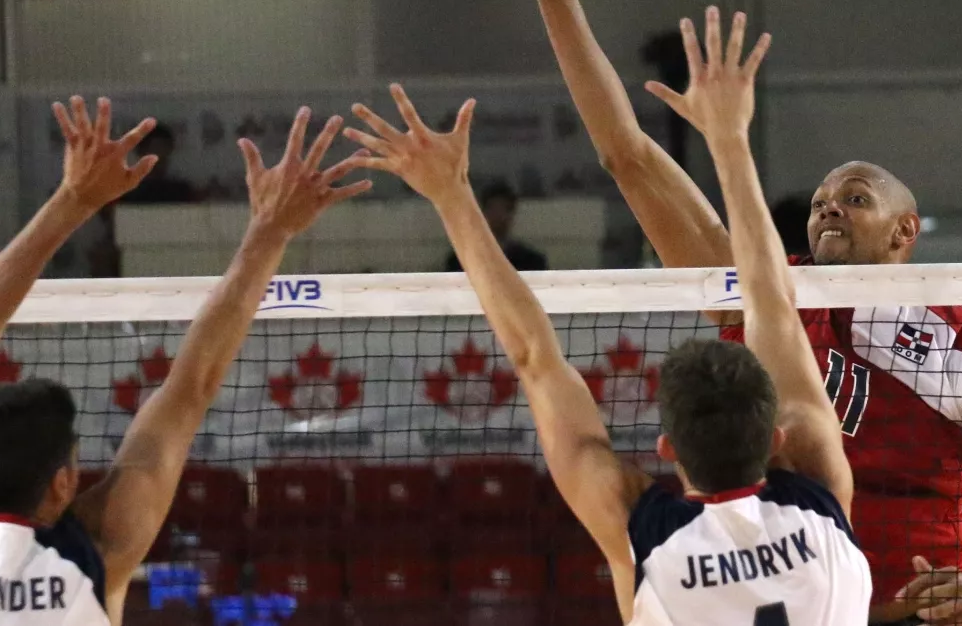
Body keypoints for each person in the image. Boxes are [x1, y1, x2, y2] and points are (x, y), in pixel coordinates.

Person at [507, 0, 962, 613]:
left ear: (904, 230)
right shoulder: (762, 295)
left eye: (853, 198)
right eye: (822, 198)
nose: (827, 207)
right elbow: (627, 155)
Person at [342, 73, 871, 625]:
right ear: (777, 435)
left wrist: (451, 195)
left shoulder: (646, 535)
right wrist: (731, 143)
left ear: (667, 447)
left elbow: (534, 358)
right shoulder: (819, 500)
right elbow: (773, 305)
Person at [0, 96, 370, 625]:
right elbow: (188, 389)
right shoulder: (98, 553)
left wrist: (72, 201)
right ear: (62, 483)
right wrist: (269, 231)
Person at [443, 180, 548, 272]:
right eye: (493, 209)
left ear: (511, 213)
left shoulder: (531, 262)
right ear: (482, 213)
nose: (498, 215)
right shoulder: (461, 261)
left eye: (503, 209)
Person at [120, 122, 197, 204]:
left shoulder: (181, 191)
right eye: (155, 149)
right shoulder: (126, 192)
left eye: (164, 149)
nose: (160, 155)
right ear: (141, 152)